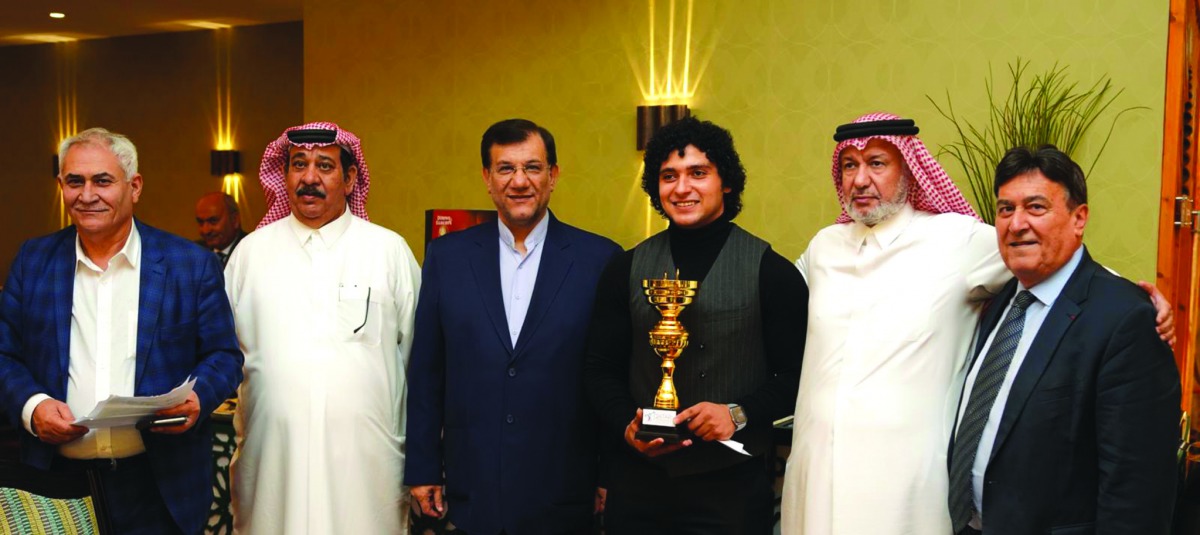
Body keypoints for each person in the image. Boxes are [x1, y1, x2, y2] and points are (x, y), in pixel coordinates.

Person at [781, 113, 1176, 534]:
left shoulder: (956, 239)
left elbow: (1052, 263)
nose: (860, 180)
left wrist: (1143, 301)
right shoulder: (824, 247)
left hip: (904, 486)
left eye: (877, 163)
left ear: (910, 169)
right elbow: (772, 298)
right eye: (849, 165)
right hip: (815, 470)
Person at [0, 127, 243, 534]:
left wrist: (198, 398)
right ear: (61, 186)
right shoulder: (33, 261)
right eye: (75, 181)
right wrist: (33, 406)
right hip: (58, 483)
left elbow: (224, 355)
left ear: (135, 186)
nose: (87, 194)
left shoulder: (188, 264)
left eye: (102, 181)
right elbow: (5, 354)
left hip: (159, 485)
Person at [583, 116, 807, 534]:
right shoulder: (624, 269)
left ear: (726, 182)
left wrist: (739, 413)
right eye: (669, 176)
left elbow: (797, 376)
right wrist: (626, 426)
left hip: (732, 489)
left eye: (698, 173)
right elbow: (599, 368)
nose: (682, 188)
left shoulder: (772, 272)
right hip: (638, 486)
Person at [946, 145, 1179, 534]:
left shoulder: (1128, 320)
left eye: (1035, 207)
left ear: (1079, 218)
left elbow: (1138, 492)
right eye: (1005, 209)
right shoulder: (1000, 300)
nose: (1016, 224)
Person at [405, 119, 621, 534]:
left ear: (553, 175)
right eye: (505, 168)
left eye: (532, 168)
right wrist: (423, 467)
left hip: (564, 489)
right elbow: (427, 373)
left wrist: (608, 474)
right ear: (487, 178)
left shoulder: (600, 260)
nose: (519, 181)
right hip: (472, 487)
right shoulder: (446, 258)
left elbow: (611, 376)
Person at [225, 122, 421, 534]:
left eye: (325, 166)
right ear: (284, 175)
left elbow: (420, 361)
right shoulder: (250, 254)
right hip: (273, 463)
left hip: (366, 467)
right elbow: (223, 354)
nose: (309, 178)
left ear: (350, 179)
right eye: (299, 164)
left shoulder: (387, 251)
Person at [194, 192, 246, 267]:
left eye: (213, 221)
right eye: (201, 222)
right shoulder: (195, 252)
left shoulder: (252, 249)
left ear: (234, 220)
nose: (206, 230)